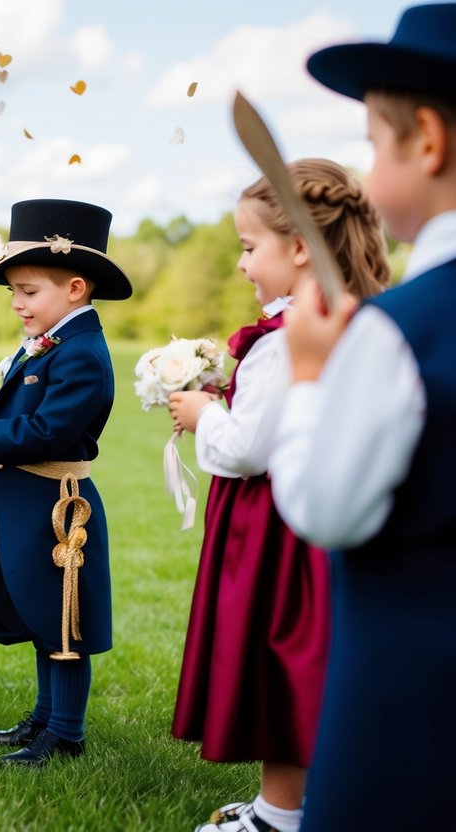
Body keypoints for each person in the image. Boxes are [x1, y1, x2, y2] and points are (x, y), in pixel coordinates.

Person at [266, 5, 456, 829]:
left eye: (374, 145)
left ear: (425, 139)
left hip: (413, 712)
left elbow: (326, 509)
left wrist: (308, 377)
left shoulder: (400, 330)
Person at [166, 159, 390, 832]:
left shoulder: (284, 338)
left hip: (272, 532)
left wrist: (203, 414)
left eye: (246, 247)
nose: (240, 264)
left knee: (274, 661)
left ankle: (277, 814)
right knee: (311, 658)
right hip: (319, 523)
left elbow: (244, 449)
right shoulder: (352, 317)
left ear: (297, 248)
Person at [0, 199, 131, 767]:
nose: (17, 304)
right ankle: (45, 717)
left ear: (74, 287)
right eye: (13, 292)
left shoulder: (83, 354)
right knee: (42, 614)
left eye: (27, 291)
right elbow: (14, 410)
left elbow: (46, 430)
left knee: (65, 619)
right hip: (25, 501)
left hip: (59, 507)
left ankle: (66, 733)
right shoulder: (52, 341)